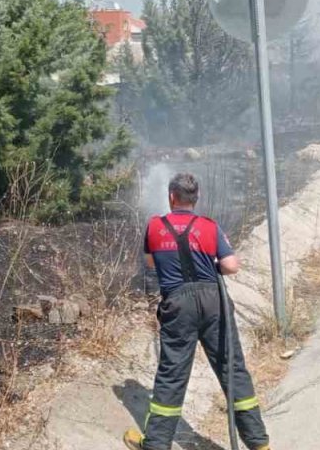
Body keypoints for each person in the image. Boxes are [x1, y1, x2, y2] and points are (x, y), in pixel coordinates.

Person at [123, 173, 271, 450]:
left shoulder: (154, 227)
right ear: (196, 198)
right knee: (232, 368)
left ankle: (155, 444)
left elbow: (151, 263)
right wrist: (207, 265)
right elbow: (231, 266)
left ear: (171, 197)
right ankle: (259, 444)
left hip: (178, 304)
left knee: (172, 373)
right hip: (214, 301)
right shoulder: (209, 226)